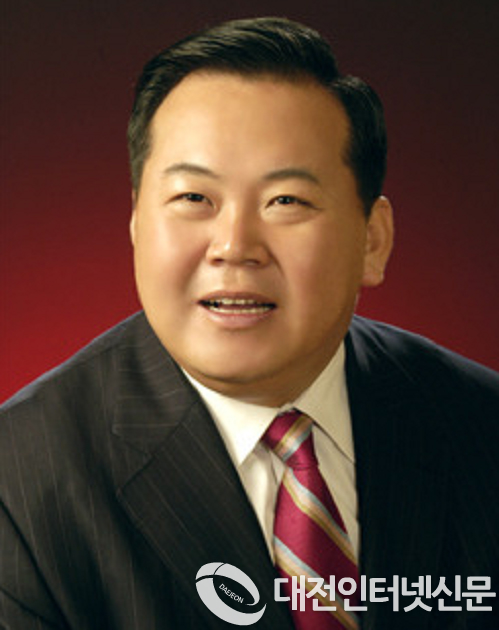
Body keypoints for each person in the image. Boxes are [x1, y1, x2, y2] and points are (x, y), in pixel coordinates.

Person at [0, 16, 497, 630]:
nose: (234, 247)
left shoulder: (480, 423)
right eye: (193, 199)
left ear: (373, 239)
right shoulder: (19, 481)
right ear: (135, 224)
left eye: (286, 201)